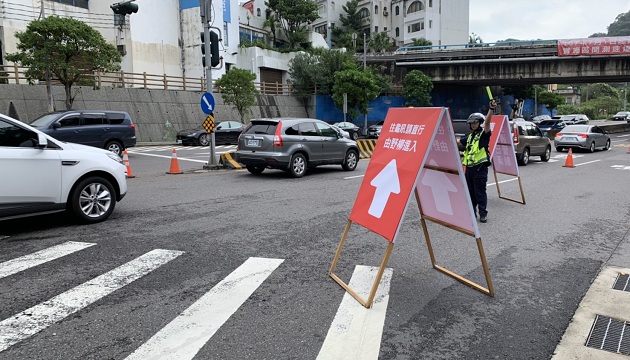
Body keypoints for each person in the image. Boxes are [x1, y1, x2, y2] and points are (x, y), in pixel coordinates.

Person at [457, 99, 496, 223]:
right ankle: (472, 213)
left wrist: (491, 110)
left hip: (480, 169)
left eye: (475, 122)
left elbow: (488, 123)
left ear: (480, 123)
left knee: (480, 193)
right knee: (470, 192)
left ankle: (483, 213)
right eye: (472, 123)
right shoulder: (469, 136)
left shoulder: (484, 135)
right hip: (469, 169)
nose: (473, 125)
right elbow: (457, 142)